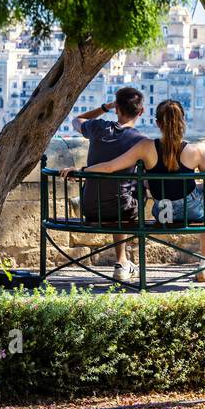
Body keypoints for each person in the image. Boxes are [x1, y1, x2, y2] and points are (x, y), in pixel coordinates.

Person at [84, 98, 205, 284]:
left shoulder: (146, 147)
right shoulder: (196, 151)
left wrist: (83, 171)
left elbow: (110, 167)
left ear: (157, 123)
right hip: (192, 211)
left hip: (162, 212)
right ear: (183, 122)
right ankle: (204, 265)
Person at [71, 87, 147, 283]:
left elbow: (76, 120)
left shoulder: (98, 128)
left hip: (90, 207)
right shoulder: (141, 142)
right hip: (123, 210)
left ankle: (123, 261)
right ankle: (122, 261)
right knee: (127, 192)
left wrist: (105, 107)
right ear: (141, 112)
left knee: (118, 193)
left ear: (117, 109)